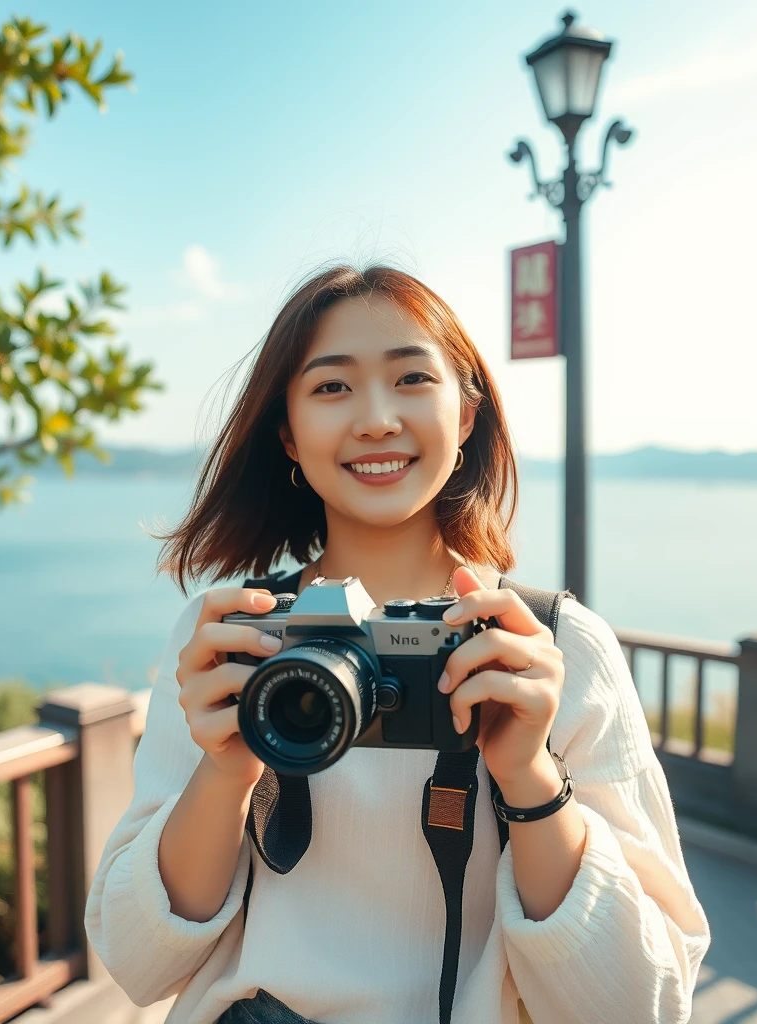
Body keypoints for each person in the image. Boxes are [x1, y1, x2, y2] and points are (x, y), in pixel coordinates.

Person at [85, 264, 711, 1024]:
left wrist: (528, 775)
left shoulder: (548, 649)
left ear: (468, 413)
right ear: (287, 430)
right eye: (331, 387)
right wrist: (227, 773)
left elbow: (643, 1006)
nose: (377, 419)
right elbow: (134, 960)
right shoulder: (233, 639)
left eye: (412, 378)